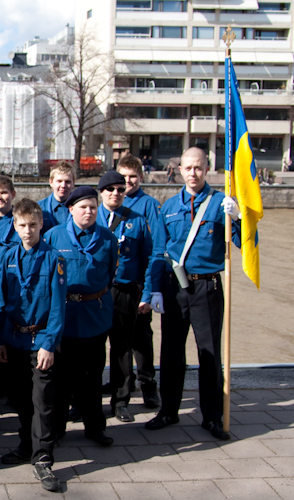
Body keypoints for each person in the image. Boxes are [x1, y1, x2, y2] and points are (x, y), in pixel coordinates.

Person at [145, 147, 241, 441]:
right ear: (180, 171)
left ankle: (212, 416)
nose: (193, 173)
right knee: (171, 351)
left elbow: (245, 243)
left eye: (198, 168)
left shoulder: (220, 203)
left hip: (207, 287)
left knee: (209, 353)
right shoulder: (169, 206)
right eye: (188, 168)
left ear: (207, 169)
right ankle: (168, 410)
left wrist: (238, 218)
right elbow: (159, 252)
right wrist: (155, 289)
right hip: (174, 287)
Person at [0, 199, 67, 492]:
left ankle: (43, 457)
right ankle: (26, 445)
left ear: (41, 224)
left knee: (42, 401)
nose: (28, 231)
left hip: (41, 340)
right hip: (15, 339)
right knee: (21, 399)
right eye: (23, 225)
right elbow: (1, 301)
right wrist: (1, 339)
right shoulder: (8, 256)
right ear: (15, 225)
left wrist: (49, 344)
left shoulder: (54, 259)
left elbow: (58, 307)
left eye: (33, 225)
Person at [45, 186, 118, 448]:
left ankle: (95, 426)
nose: (89, 212)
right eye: (83, 207)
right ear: (71, 209)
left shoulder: (107, 238)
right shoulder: (54, 236)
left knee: (92, 376)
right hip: (64, 316)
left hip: (94, 314)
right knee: (61, 378)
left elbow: (110, 274)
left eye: (93, 207)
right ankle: (57, 428)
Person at [95, 171, 153, 423]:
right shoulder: (88, 215)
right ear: (101, 192)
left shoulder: (137, 220)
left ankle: (120, 401)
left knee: (122, 348)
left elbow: (149, 259)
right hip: (95, 293)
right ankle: (87, 401)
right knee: (93, 349)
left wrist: (147, 292)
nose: (116, 194)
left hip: (125, 291)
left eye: (120, 189)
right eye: (110, 189)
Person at [116, 154, 162, 408]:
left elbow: (155, 250)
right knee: (119, 340)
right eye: (123, 176)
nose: (128, 181)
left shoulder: (149, 206)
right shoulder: (112, 202)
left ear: (141, 178)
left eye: (132, 176)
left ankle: (148, 385)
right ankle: (123, 383)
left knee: (141, 339)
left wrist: (149, 290)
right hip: (115, 286)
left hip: (138, 284)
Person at [37, 161, 75, 234]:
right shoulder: (39, 208)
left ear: (73, 183)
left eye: (67, 182)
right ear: (51, 182)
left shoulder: (81, 208)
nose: (63, 185)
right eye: (59, 181)